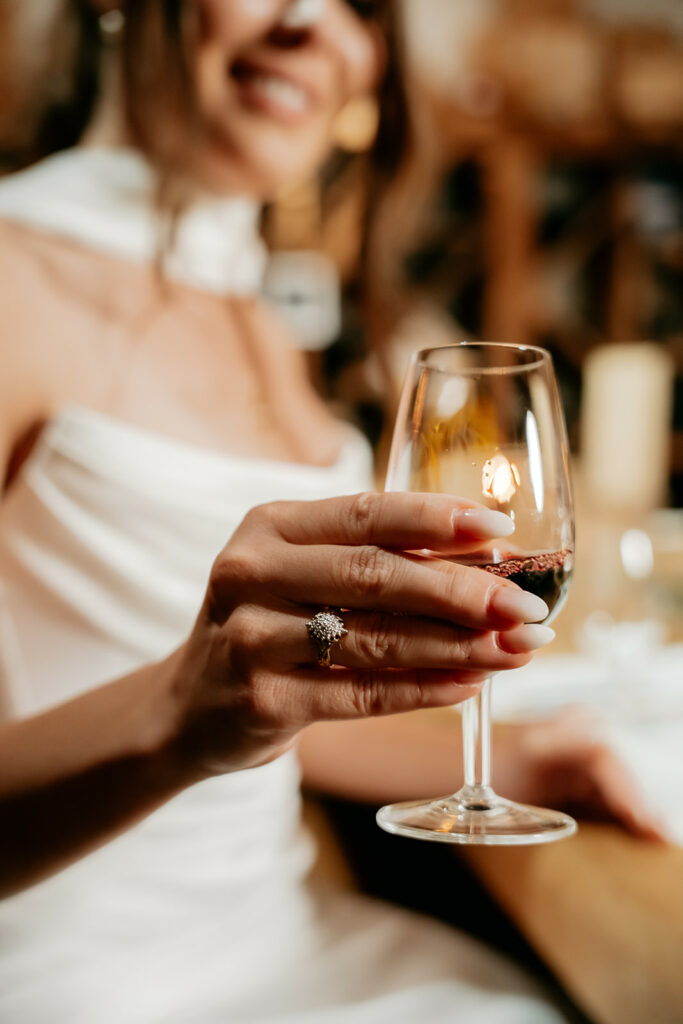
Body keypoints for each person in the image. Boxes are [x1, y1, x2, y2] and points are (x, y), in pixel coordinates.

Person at [0, 2, 662, 1022]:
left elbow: (282, 713)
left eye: (358, 3)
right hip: (90, 986)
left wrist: (509, 758)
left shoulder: (258, 314)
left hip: (290, 937)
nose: (310, 21)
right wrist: (178, 708)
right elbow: (205, 706)